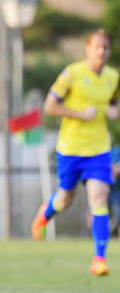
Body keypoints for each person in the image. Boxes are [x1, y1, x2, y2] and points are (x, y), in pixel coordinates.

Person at [31, 29, 119, 276]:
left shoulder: (113, 76)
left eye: (106, 48)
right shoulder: (72, 73)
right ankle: (45, 213)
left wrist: (114, 111)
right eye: (97, 47)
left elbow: (112, 104)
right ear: (87, 49)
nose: (102, 52)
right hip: (70, 148)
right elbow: (50, 106)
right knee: (65, 199)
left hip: (99, 148)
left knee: (99, 198)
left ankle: (99, 259)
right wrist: (81, 114)